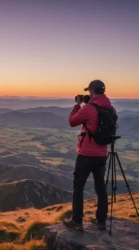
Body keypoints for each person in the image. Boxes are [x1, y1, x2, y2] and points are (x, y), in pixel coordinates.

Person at [63, 80, 115, 231]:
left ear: (92, 90)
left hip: (86, 154)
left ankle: (77, 221)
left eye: (89, 91)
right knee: (100, 187)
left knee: (78, 186)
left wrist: (78, 105)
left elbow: (72, 122)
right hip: (101, 154)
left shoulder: (89, 109)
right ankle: (101, 221)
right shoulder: (111, 109)